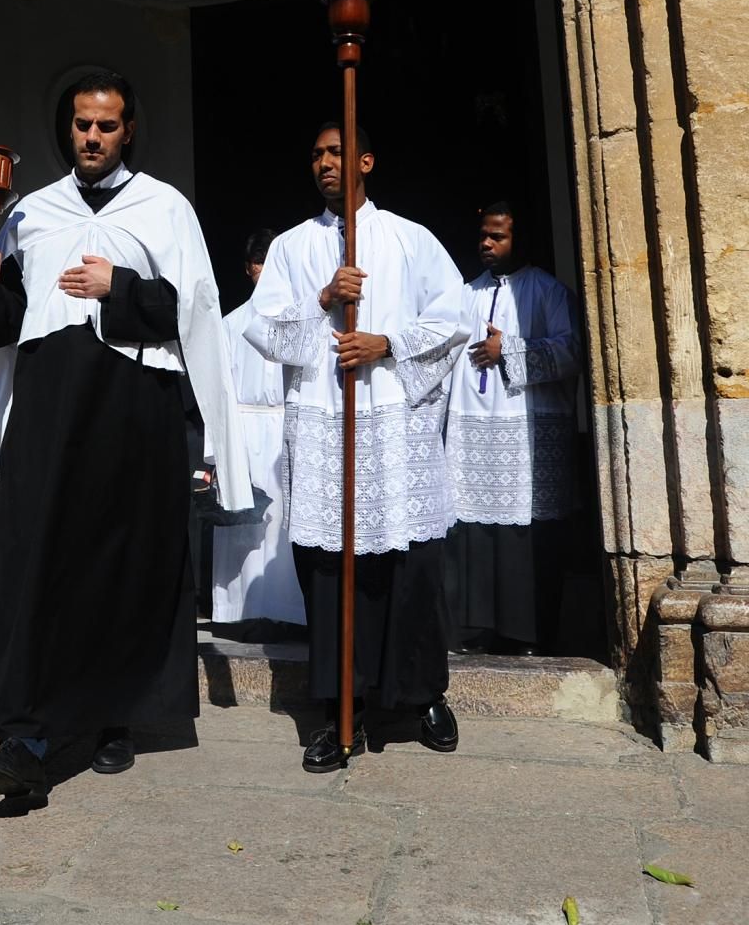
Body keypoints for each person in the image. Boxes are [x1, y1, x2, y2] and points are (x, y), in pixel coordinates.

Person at [0, 69, 252, 798]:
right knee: (36, 559)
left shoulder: (165, 208)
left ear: (128, 131)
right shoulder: (27, 214)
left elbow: (194, 311)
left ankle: (116, 717)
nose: (92, 137)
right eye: (83, 124)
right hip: (50, 404)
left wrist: (117, 289)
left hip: (133, 403)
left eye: (107, 126)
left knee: (121, 559)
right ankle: (25, 728)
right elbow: (5, 327)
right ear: (68, 127)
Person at [244, 124, 466, 772]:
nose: (323, 163)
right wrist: (322, 300)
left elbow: (454, 318)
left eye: (335, 152)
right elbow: (264, 328)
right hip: (324, 426)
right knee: (332, 571)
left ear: (366, 160)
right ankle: (342, 708)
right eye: (315, 154)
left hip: (394, 428)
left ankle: (422, 696)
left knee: (410, 565)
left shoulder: (409, 238)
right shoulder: (291, 246)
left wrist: (385, 343)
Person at [444, 201, 582, 654]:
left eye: (497, 236)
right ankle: (474, 627)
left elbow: (571, 353)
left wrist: (511, 348)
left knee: (526, 531)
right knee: (475, 529)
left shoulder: (549, 292)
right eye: (483, 235)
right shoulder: (467, 294)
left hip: (527, 430)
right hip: (474, 423)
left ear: (518, 239)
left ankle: (526, 632)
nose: (486, 243)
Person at [211, 229, 306, 629]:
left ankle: (287, 612)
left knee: (286, 527)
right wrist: (216, 454)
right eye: (260, 262)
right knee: (244, 526)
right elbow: (219, 393)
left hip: (287, 427)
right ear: (250, 269)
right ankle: (240, 612)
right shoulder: (232, 325)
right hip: (245, 432)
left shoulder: (297, 322)